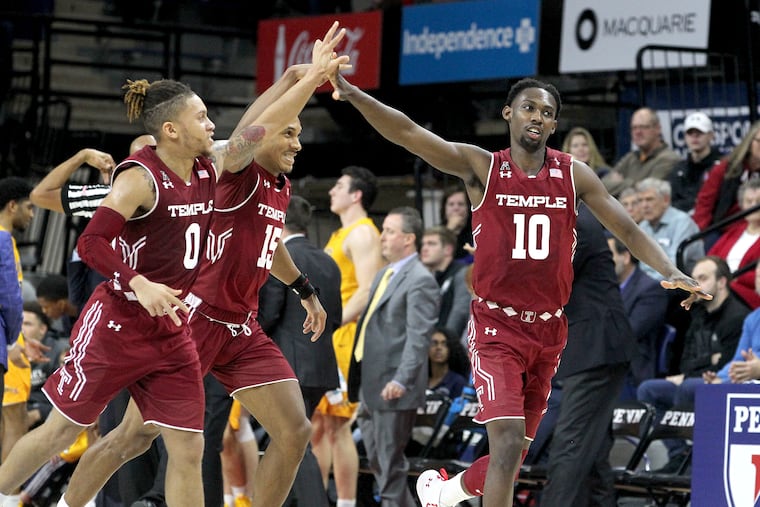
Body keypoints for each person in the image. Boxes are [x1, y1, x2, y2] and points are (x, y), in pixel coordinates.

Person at [329, 73, 711, 507]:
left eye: (548, 113)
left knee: (510, 458)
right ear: (508, 113)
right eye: (529, 108)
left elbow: (624, 226)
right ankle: (449, 491)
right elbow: (410, 133)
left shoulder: (573, 174)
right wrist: (357, 95)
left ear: (554, 125)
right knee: (508, 443)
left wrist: (670, 268)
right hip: (497, 327)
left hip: (549, 332)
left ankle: (445, 491)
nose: (538, 117)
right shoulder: (483, 166)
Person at [56, 24, 349, 507]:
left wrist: (305, 291)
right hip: (194, 322)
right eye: (290, 134)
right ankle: (71, 504)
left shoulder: (279, 186)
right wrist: (307, 82)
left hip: (240, 327)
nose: (297, 143)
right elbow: (252, 129)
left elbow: (268, 249)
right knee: (133, 439)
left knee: (295, 430)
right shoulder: (235, 174)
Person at [537, 204, 635, 507]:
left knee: (571, 442)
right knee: (592, 449)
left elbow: (551, 281)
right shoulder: (568, 218)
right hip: (591, 346)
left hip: (596, 345)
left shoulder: (577, 220)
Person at [346, 206, 440, 507]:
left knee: (389, 467)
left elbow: (418, 338)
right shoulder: (385, 273)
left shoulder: (420, 279)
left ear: (408, 239)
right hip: (370, 382)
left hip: (393, 384)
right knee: (378, 463)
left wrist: (402, 379)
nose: (382, 237)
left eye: (389, 231)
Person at [258, 194, 343, 507]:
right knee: (289, 438)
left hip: (289, 364)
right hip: (322, 364)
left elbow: (268, 312)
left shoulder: (281, 260)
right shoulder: (328, 260)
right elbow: (335, 316)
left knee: (292, 439)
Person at [637, 256, 748, 471]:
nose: (696, 285)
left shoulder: (737, 317)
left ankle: (697, 460)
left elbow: (726, 365)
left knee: (687, 388)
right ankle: (679, 454)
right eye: (694, 279)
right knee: (649, 390)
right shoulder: (697, 312)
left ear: (722, 282)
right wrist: (705, 362)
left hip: (721, 387)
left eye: (703, 278)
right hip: (694, 381)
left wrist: (695, 371)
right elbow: (686, 359)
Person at [316, 165, 383, 507]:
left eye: (338, 186)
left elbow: (368, 289)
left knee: (337, 425)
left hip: (348, 336)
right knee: (320, 424)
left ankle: (344, 502)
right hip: (334, 333)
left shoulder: (362, 234)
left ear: (356, 195)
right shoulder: (341, 234)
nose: (331, 191)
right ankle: (319, 498)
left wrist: (332, 322)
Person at [607, 237, 669, 399]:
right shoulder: (605, 287)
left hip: (630, 371)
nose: (605, 262)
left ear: (626, 257)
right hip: (604, 363)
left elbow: (629, 332)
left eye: (610, 256)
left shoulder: (650, 290)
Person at [693, 121, 760, 238]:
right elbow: (704, 204)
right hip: (723, 229)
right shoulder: (725, 168)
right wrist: (700, 235)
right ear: (749, 142)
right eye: (759, 141)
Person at [635, 177, 704, 280]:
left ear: (666, 200)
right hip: (651, 286)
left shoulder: (682, 222)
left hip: (682, 285)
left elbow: (673, 267)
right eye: (640, 200)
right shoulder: (643, 226)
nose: (644, 205)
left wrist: (646, 286)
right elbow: (642, 264)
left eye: (649, 199)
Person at [602, 107, 680, 195]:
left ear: (658, 129)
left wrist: (621, 183)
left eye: (643, 127)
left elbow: (649, 191)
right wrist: (636, 184)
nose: (638, 132)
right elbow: (602, 186)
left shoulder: (669, 158)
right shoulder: (631, 157)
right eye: (634, 128)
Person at [707, 177, 760, 309]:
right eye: (749, 201)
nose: (753, 206)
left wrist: (733, 277)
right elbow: (710, 258)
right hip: (721, 286)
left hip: (747, 295)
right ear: (742, 205)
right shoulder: (734, 231)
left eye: (758, 202)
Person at [420, 226, 472, 338]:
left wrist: (446, 344)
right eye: (423, 244)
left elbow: (460, 313)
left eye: (431, 244)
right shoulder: (430, 277)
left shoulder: (461, 273)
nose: (424, 248)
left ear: (448, 249)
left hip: (452, 347)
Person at [24, 301, 67, 429]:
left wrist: (40, 412)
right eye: (19, 322)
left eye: (27, 324)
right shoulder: (10, 352)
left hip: (48, 415)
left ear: (42, 329)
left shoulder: (59, 352)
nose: (21, 329)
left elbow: (68, 399)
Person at [668, 112, 722, 214]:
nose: (694, 137)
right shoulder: (679, 169)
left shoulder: (721, 166)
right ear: (685, 137)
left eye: (699, 133)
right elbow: (671, 200)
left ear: (711, 135)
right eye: (690, 133)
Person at [427, 327, 469, 399]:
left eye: (444, 344)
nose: (439, 348)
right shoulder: (420, 380)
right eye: (434, 343)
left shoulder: (458, 382)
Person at [439, 184, 473, 262]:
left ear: (468, 208)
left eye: (461, 204)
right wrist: (449, 229)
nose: (456, 208)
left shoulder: (475, 231)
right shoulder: (436, 232)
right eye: (451, 204)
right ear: (444, 208)